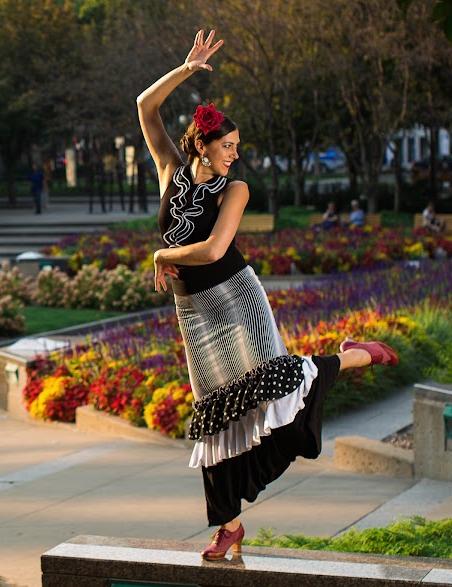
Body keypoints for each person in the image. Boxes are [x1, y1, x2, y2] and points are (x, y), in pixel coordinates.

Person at [137, 29, 399, 561]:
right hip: (195, 312)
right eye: (228, 146)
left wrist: (163, 254)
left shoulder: (235, 189)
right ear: (201, 145)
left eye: (237, 147)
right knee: (214, 418)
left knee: (276, 387)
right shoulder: (169, 170)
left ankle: (354, 356)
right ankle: (229, 527)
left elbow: (214, 250)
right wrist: (188, 69)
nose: (235, 155)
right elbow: (145, 106)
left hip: (237, 298)